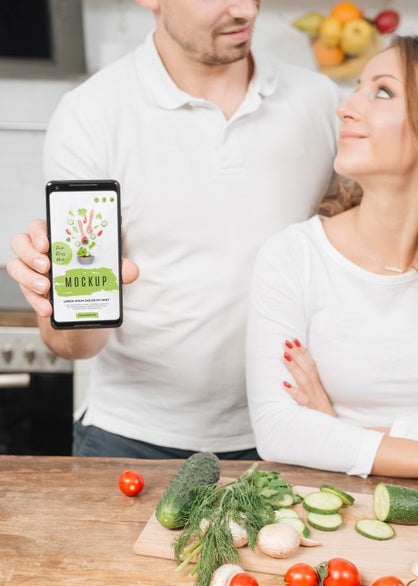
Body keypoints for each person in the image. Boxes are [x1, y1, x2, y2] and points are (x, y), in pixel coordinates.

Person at [7, 0, 339, 459]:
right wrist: (60, 304)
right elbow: (75, 343)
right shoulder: (91, 114)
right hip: (132, 440)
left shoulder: (319, 100)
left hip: (286, 433)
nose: (246, 9)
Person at [246, 35, 418, 478]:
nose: (345, 107)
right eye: (357, 87)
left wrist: (336, 430)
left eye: (382, 91)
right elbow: (278, 429)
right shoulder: (294, 257)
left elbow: (310, 434)